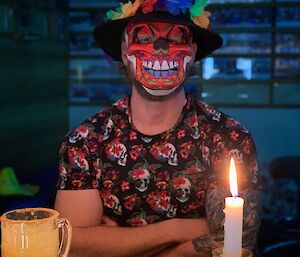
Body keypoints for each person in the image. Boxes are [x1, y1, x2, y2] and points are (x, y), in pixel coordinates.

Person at [54, 1, 261, 256]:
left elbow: (235, 239)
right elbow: (72, 245)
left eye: (176, 38)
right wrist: (177, 230)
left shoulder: (228, 136)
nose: (161, 48)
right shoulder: (85, 142)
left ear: (193, 52)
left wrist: (116, 242)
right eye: (144, 37)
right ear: (123, 50)